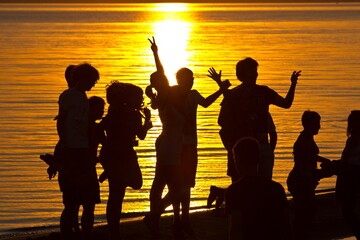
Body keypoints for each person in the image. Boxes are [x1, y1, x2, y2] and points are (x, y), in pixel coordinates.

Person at [208, 58, 301, 182]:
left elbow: (286, 104)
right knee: (241, 184)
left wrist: (293, 84)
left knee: (259, 184)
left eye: (256, 71)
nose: (256, 73)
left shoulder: (262, 92)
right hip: (241, 147)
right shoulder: (235, 94)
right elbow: (222, 122)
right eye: (253, 71)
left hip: (259, 146)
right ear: (245, 73)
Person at [144, 37, 188, 239]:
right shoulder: (165, 96)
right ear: (159, 84)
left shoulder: (163, 96)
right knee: (175, 187)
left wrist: (155, 53)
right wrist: (155, 54)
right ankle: (155, 214)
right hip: (169, 145)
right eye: (161, 80)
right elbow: (161, 74)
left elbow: (160, 73)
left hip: (168, 143)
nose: (166, 79)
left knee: (163, 183)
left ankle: (154, 217)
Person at [99, 81, 152, 240]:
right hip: (123, 154)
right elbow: (141, 135)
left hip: (114, 154)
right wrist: (147, 122)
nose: (141, 100)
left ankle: (112, 172)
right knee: (128, 187)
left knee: (116, 194)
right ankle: (114, 232)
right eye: (139, 97)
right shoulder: (133, 114)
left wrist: (107, 144)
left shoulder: (113, 111)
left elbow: (102, 127)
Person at [56, 63, 100, 240]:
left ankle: (86, 234)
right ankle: (67, 233)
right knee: (72, 201)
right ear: (81, 78)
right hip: (72, 151)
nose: (92, 85)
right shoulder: (68, 96)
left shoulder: (83, 98)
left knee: (89, 199)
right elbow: (61, 122)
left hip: (84, 151)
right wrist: (65, 143)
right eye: (91, 81)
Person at [207, 112, 277, 210]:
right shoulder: (242, 111)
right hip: (247, 149)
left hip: (255, 149)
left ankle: (221, 193)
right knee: (249, 182)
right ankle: (223, 195)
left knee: (251, 183)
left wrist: (269, 151)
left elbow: (273, 134)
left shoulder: (262, 113)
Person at [226, 137, 291, 240]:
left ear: (237, 161)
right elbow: (285, 224)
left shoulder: (234, 190)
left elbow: (235, 228)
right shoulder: (276, 188)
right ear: (259, 159)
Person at [287, 110, 331, 240]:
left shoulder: (307, 138)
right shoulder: (303, 141)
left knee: (306, 211)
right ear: (307, 124)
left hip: (303, 180)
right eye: (316, 123)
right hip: (300, 181)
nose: (319, 126)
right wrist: (322, 173)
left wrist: (323, 161)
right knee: (305, 212)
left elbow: (311, 156)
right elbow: (303, 166)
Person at [335, 110, 360, 239]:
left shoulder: (354, 141)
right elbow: (346, 161)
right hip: (349, 177)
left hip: (353, 177)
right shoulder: (351, 141)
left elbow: (350, 162)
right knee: (348, 210)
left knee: (348, 210)